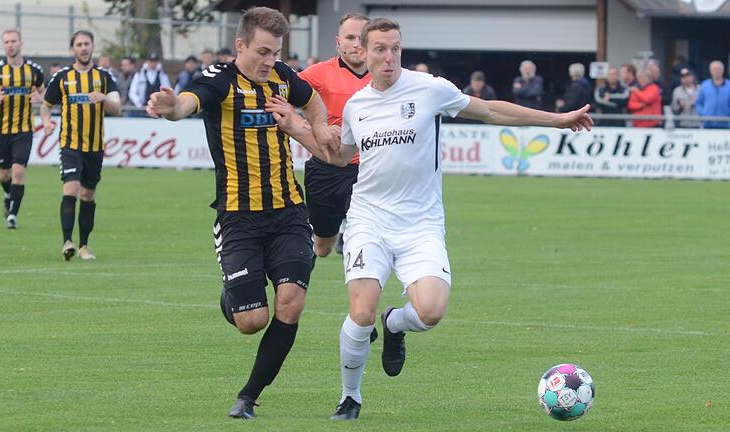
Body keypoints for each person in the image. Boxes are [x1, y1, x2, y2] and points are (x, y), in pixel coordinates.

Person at [265, 17, 593, 421]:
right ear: (363, 54)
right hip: (369, 219)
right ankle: (350, 397)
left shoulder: (430, 89)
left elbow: (490, 110)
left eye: (396, 48)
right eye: (381, 49)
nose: (389, 57)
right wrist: (296, 129)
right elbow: (337, 155)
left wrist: (557, 119)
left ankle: (396, 324)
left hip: (420, 225)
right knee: (361, 310)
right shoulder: (357, 106)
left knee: (431, 311)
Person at [146, 6, 335, 420]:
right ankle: (233, 297)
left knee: (290, 303)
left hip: (288, 211)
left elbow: (314, 99)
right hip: (238, 217)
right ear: (241, 45)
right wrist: (171, 106)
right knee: (251, 320)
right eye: (263, 52)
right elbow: (188, 103)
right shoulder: (219, 81)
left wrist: (318, 129)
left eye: (276, 52)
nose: (270, 61)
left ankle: (248, 396)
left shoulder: (283, 77)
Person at [39, 30, 122, 260]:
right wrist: (46, 122)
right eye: (79, 44)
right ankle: (67, 242)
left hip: (95, 147)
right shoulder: (63, 77)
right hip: (70, 144)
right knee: (71, 188)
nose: (83, 48)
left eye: (87, 44)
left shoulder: (104, 77)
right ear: (72, 50)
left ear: (92, 47)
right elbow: (45, 105)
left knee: (88, 194)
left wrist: (104, 98)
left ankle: (84, 245)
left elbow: (118, 108)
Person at [298, 12, 372, 259]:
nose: (356, 43)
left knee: (368, 238)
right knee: (322, 247)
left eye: (361, 38)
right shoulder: (316, 74)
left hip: (370, 170)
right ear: (338, 42)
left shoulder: (387, 76)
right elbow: (282, 100)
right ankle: (333, 236)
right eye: (349, 37)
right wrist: (312, 128)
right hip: (326, 169)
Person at [0, 28, 45, 229]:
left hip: (24, 130)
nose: (10, 45)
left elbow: (43, 91)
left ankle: (12, 216)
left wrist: (40, 98)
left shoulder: (34, 70)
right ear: (3, 45)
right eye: (6, 42)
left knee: (18, 171)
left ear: (21, 43)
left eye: (13, 41)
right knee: (4, 174)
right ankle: (8, 195)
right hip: (1, 130)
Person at [696, 60, 730, 129]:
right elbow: (698, 103)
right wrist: (703, 114)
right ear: (710, 71)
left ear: (723, 70)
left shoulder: (729, 85)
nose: (716, 71)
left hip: (726, 123)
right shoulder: (704, 85)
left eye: (719, 69)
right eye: (714, 69)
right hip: (708, 124)